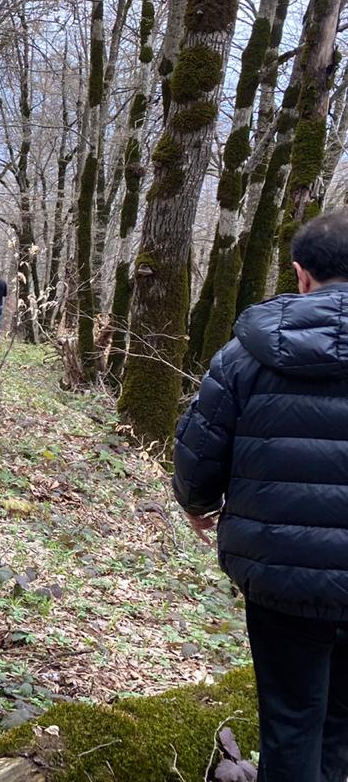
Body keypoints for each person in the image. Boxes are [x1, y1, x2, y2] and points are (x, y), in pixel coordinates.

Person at [173, 209, 348, 782]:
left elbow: (202, 446)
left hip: (282, 572)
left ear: (300, 273)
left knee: (292, 718)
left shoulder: (248, 353)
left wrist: (198, 503)